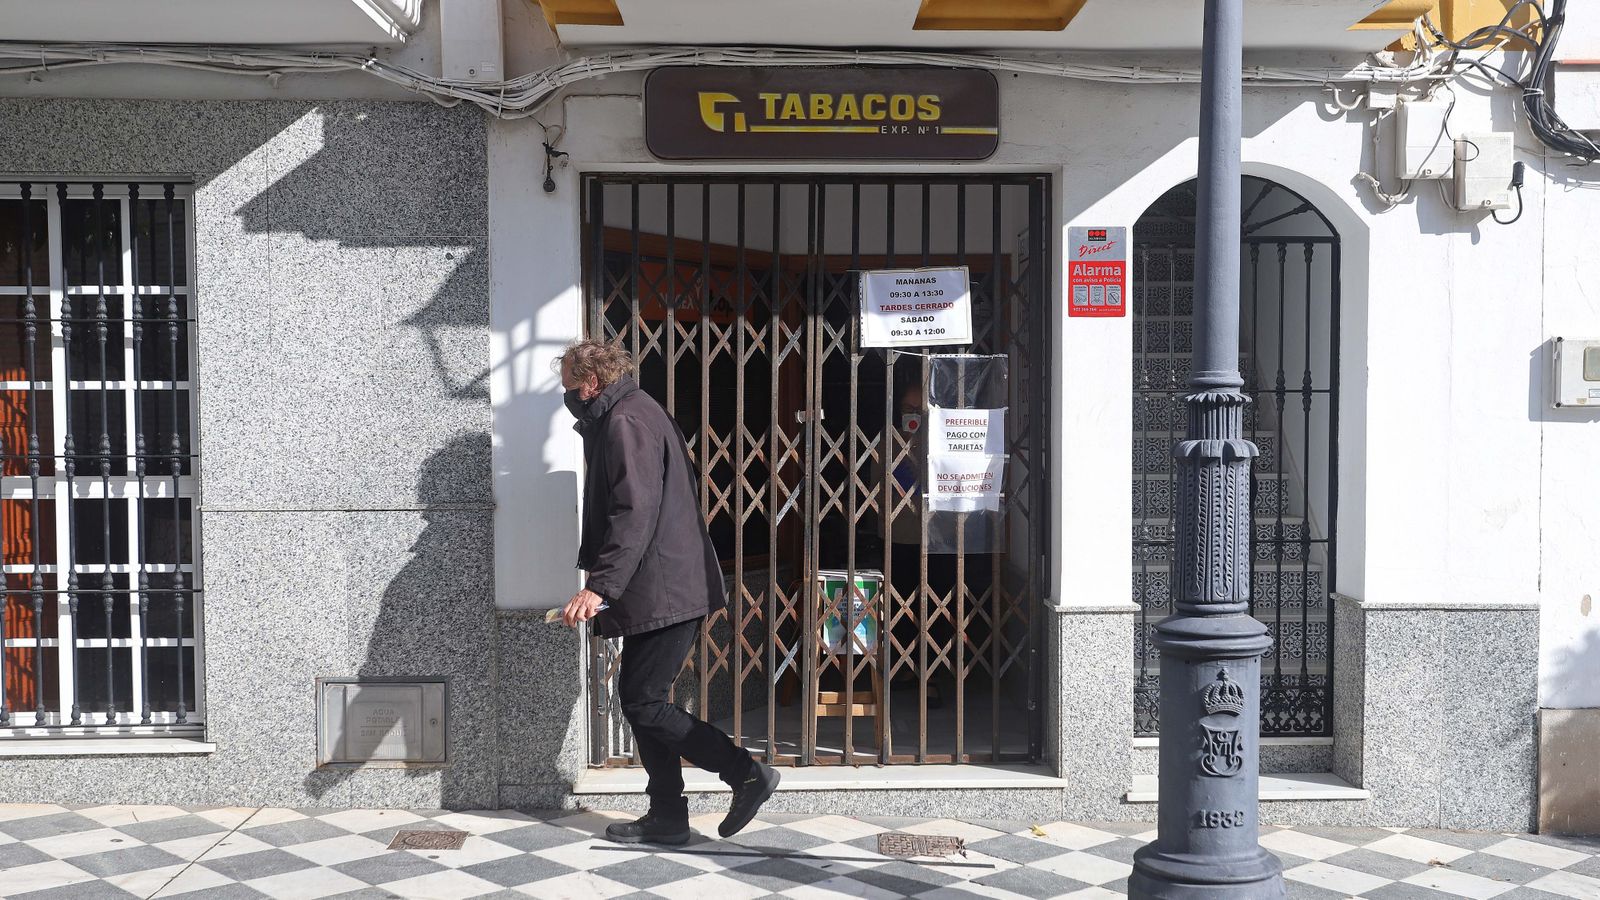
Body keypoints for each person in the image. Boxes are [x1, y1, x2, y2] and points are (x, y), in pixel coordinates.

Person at [556, 339, 780, 845]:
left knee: (643, 701)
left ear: (592, 382)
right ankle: (666, 816)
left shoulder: (626, 422)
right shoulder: (631, 412)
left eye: (570, 387)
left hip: (663, 586)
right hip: (658, 585)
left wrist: (600, 586)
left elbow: (633, 513)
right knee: (642, 698)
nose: (567, 396)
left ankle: (745, 773)